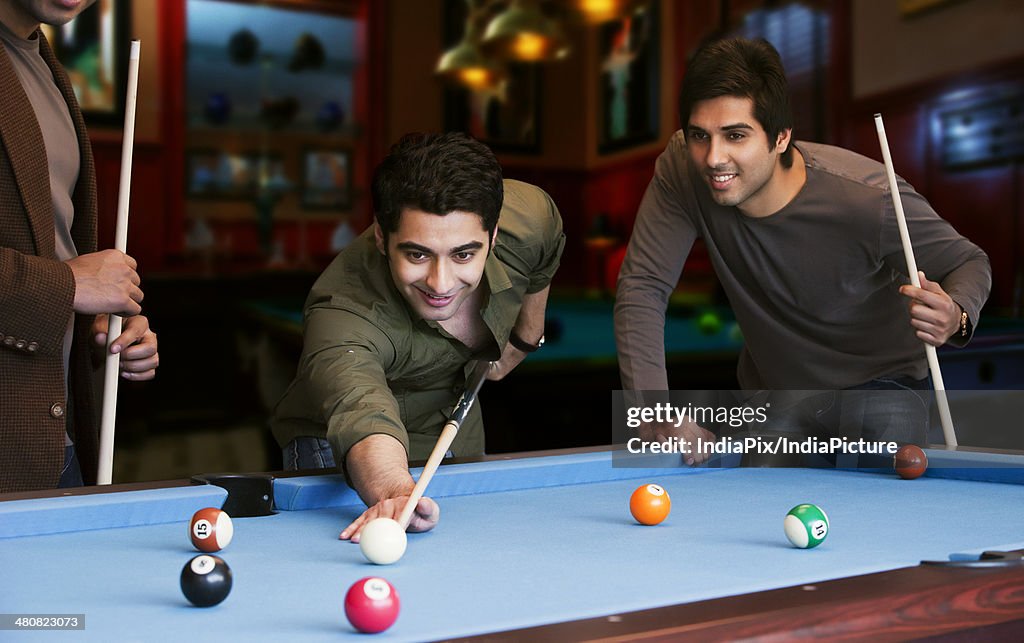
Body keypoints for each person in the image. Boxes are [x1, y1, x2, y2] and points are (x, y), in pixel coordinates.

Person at [614, 37, 990, 461]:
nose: (713, 158)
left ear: (780, 138)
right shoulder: (683, 169)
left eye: (736, 135)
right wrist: (651, 408)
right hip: (778, 389)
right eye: (701, 135)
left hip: (882, 382)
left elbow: (968, 261)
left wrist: (954, 317)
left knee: (877, 513)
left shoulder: (869, 199)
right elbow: (644, 286)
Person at [271, 132, 565, 539]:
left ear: (493, 237)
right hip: (340, 446)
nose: (440, 283)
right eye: (417, 254)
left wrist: (525, 337)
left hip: (455, 414)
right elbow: (360, 410)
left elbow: (546, 242)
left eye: (463, 254)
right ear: (380, 237)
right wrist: (394, 490)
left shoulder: (526, 217)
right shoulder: (341, 312)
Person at [1, 0, 159, 493]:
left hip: (52, 441)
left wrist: (99, 325)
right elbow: (64, 279)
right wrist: (68, 285)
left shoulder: (45, 67)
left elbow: (53, 248)